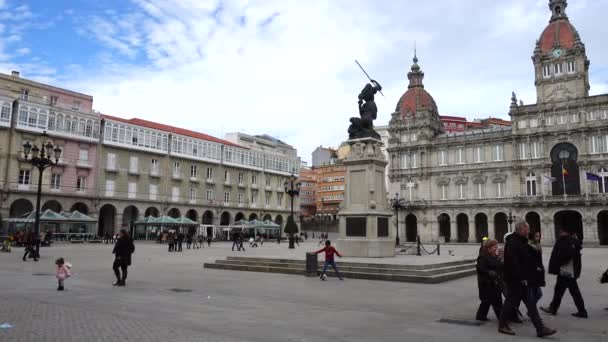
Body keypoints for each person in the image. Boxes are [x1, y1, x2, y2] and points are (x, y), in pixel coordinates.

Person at [498, 221, 555, 338]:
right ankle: (502, 325)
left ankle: (540, 329)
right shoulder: (513, 242)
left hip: (521, 278)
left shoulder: (520, 241)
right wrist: (521, 277)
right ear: (522, 229)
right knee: (510, 302)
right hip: (515, 279)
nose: (529, 232)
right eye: (527, 229)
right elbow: (514, 263)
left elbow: (525, 259)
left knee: (530, 303)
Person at [541, 227, 588, 318]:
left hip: (566, 271)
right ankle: (553, 308)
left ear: (564, 232)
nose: (559, 233)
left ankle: (582, 311)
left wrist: (559, 262)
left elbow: (566, 254)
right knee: (560, 290)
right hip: (570, 270)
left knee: (572, 291)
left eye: (561, 231)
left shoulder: (565, 241)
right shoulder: (573, 240)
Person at [476, 239, 503, 321]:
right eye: (495, 247)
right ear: (489, 248)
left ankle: (480, 316)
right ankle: (502, 318)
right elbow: (481, 268)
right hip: (486, 283)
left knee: (488, 301)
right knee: (493, 301)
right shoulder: (482, 256)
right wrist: (490, 272)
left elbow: (498, 266)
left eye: (496, 246)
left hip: (494, 282)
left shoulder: (493, 255)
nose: (496, 248)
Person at [526, 231, 546, 315]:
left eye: (539, 236)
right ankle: (532, 312)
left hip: (538, 272)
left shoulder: (538, 246)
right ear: (532, 237)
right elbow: (528, 260)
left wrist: (541, 268)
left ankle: (531, 311)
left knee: (537, 294)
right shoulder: (528, 246)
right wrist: (535, 267)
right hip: (531, 273)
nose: (538, 238)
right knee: (536, 294)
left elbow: (539, 260)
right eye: (536, 236)